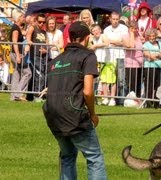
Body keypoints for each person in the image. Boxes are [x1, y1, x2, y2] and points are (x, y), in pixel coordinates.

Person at [42, 21, 107, 179]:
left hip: (52, 113)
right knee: (94, 158)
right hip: (73, 114)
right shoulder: (88, 56)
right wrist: (92, 114)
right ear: (86, 38)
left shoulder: (55, 61)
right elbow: (88, 91)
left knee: (67, 155)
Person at [103, 12, 128, 106]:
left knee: (121, 80)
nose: (115, 21)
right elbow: (106, 42)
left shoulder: (124, 28)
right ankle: (109, 98)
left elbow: (124, 42)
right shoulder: (106, 30)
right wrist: (117, 42)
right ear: (110, 19)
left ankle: (121, 100)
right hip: (109, 57)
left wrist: (114, 42)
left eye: (117, 19)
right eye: (113, 19)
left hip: (120, 55)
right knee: (110, 79)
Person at [24, 13, 47, 102]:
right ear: (36, 21)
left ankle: (37, 95)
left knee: (42, 75)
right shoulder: (33, 28)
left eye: (43, 22)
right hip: (34, 56)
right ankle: (36, 95)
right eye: (40, 22)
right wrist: (29, 43)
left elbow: (46, 44)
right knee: (39, 75)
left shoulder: (44, 32)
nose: (41, 24)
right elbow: (28, 37)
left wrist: (45, 50)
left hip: (43, 57)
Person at [9, 10, 31, 101]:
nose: (24, 18)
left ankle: (13, 96)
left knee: (17, 73)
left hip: (15, 53)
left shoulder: (17, 28)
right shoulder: (15, 28)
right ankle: (18, 94)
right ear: (18, 18)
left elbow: (23, 34)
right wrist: (18, 55)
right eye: (22, 16)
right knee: (28, 73)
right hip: (16, 54)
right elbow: (14, 42)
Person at [143, 28, 161, 107]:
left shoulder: (159, 43)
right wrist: (158, 54)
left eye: (153, 36)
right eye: (150, 36)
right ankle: (149, 103)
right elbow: (148, 55)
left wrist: (156, 55)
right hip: (149, 67)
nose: (152, 38)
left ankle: (157, 103)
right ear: (148, 37)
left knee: (158, 85)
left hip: (159, 67)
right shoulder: (145, 44)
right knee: (149, 85)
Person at [89, 24, 110, 105]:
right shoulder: (93, 39)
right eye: (93, 31)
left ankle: (105, 98)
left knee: (104, 80)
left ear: (100, 30)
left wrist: (96, 45)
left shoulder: (103, 36)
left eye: (96, 30)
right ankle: (93, 97)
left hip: (104, 60)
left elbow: (107, 43)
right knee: (94, 79)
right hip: (96, 61)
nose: (95, 32)